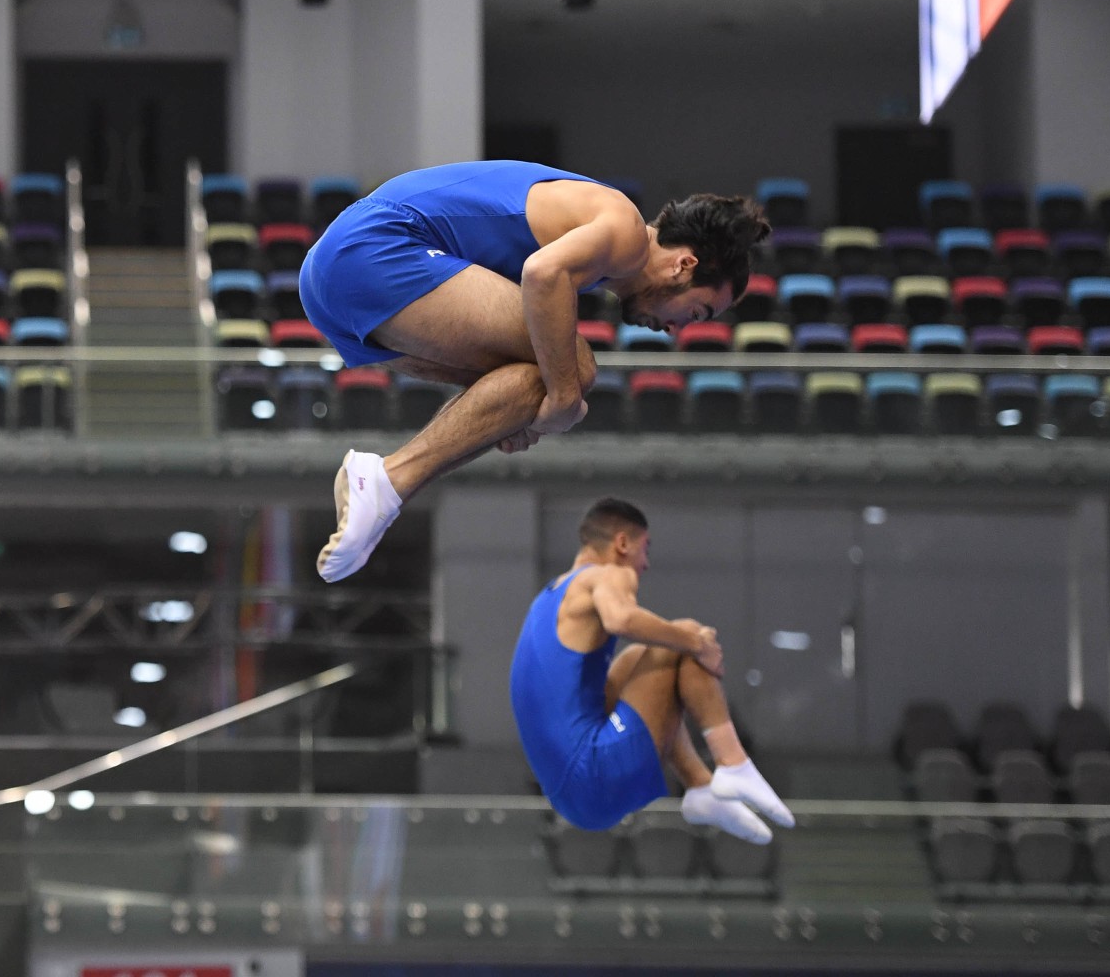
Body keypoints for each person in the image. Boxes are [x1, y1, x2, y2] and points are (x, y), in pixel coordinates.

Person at [301, 160, 770, 581]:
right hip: (376, 244)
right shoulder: (626, 234)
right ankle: (386, 481)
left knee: (539, 375)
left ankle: (385, 480)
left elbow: (522, 359)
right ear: (684, 266)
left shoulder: (594, 253)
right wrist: (563, 401)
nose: (676, 329)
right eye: (697, 313)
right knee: (575, 368)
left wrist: (516, 413)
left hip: (329, 283)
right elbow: (543, 273)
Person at [510, 497, 794, 841]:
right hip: (594, 774)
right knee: (682, 637)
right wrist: (696, 642)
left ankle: (700, 786)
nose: (645, 564)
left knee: (636, 658)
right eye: (645, 549)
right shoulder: (606, 574)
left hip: (564, 795)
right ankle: (733, 763)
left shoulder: (548, 598)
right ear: (622, 543)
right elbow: (620, 619)